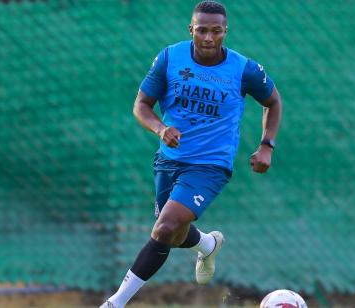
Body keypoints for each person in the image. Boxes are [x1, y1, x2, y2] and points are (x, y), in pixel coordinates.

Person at [100, 1, 281, 307]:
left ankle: (115, 303)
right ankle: (208, 244)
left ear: (225, 31)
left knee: (166, 226)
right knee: (171, 231)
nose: (208, 38)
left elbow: (273, 101)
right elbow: (141, 105)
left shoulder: (244, 69)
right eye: (202, 30)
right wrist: (160, 129)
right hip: (169, 160)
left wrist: (267, 145)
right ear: (191, 30)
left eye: (216, 31)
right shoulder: (171, 58)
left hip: (210, 165)